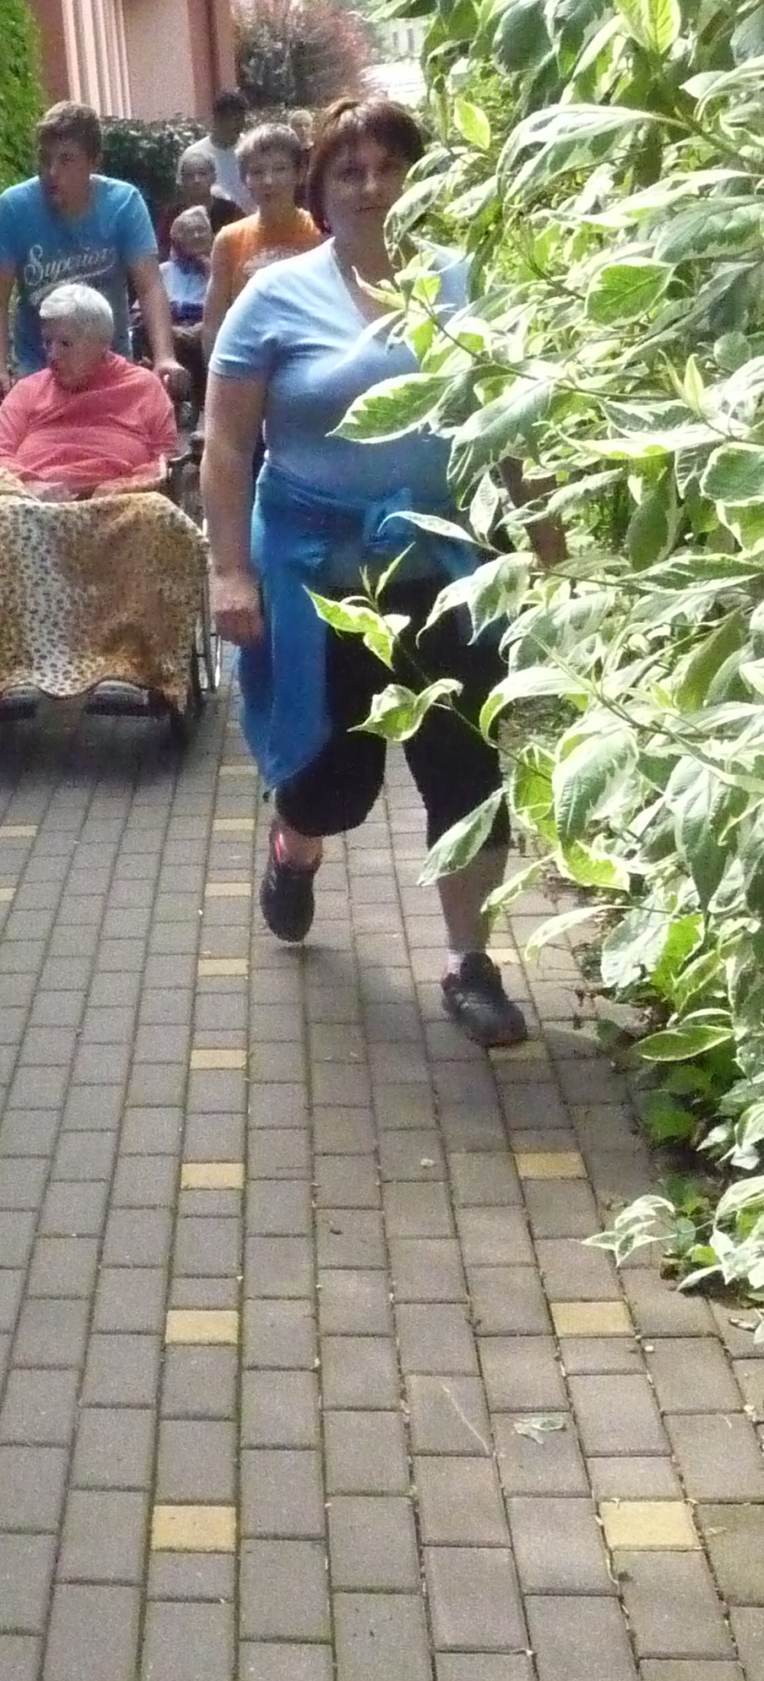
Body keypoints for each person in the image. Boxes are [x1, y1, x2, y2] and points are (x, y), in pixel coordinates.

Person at [202, 94, 529, 1047]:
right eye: (350, 170)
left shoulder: (466, 285)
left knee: (465, 770)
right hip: (315, 578)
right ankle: (294, 845)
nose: (371, 187)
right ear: (321, 187)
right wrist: (230, 572)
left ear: (418, 179)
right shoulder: (273, 296)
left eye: (390, 167)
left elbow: (508, 425)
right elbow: (227, 445)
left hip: (445, 567)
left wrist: (543, 545)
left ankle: (470, 964)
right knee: (334, 783)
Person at [0, 284, 205, 714]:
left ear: (101, 343)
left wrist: (122, 485)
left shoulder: (143, 388)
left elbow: (164, 459)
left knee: (156, 516)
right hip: (35, 502)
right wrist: (28, 485)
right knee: (1, 516)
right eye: (47, 342)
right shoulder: (29, 390)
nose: (51, 354)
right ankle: (15, 670)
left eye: (64, 344)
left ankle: (131, 668)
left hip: (117, 500)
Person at [0, 100, 188, 414]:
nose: (52, 172)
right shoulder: (14, 208)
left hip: (109, 364)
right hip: (39, 369)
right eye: (45, 159)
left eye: (66, 160)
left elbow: (149, 286)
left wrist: (165, 357)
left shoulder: (123, 204)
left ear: (93, 162)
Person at [199, 118, 322, 359]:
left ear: (299, 174)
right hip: (248, 359)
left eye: (280, 169)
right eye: (257, 172)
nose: (268, 181)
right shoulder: (229, 240)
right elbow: (213, 324)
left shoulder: (322, 233)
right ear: (244, 179)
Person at [162, 204, 214, 328]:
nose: (197, 235)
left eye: (201, 230)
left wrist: (210, 270)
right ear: (177, 238)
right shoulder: (163, 271)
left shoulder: (223, 271)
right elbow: (140, 313)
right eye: (190, 231)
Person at [205, 87, 254, 213]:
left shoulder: (252, 150)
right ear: (217, 119)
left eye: (241, 118)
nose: (238, 125)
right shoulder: (196, 154)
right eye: (233, 118)